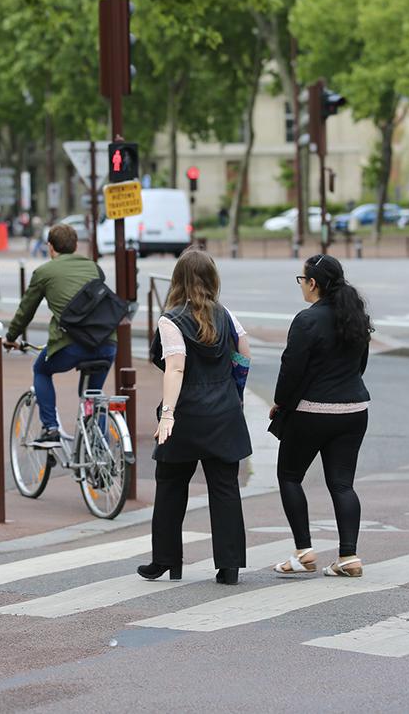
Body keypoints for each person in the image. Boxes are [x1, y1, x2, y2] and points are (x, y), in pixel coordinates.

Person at [138, 250, 252, 586]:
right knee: (225, 487)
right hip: (224, 413)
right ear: (212, 279)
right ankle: (229, 566)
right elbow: (244, 354)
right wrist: (235, 393)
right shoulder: (226, 315)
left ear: (177, 280)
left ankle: (166, 560)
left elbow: (175, 366)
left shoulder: (171, 319)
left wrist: (168, 415)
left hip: (187, 414)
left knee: (171, 485)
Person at [269, 254, 372, 578]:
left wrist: (281, 404)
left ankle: (304, 552)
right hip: (354, 409)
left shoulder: (306, 320)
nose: (302, 286)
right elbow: (361, 365)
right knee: (342, 485)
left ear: (313, 283)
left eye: (302, 280)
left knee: (289, 476)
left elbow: (291, 370)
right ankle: (348, 557)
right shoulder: (355, 316)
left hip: (313, 411)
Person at [4, 223, 116, 447]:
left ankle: (50, 428)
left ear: (50, 247)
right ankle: (101, 448)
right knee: (92, 394)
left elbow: (26, 310)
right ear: (75, 246)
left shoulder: (44, 273)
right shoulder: (94, 268)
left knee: (41, 369)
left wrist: (11, 337)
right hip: (107, 342)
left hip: (72, 345)